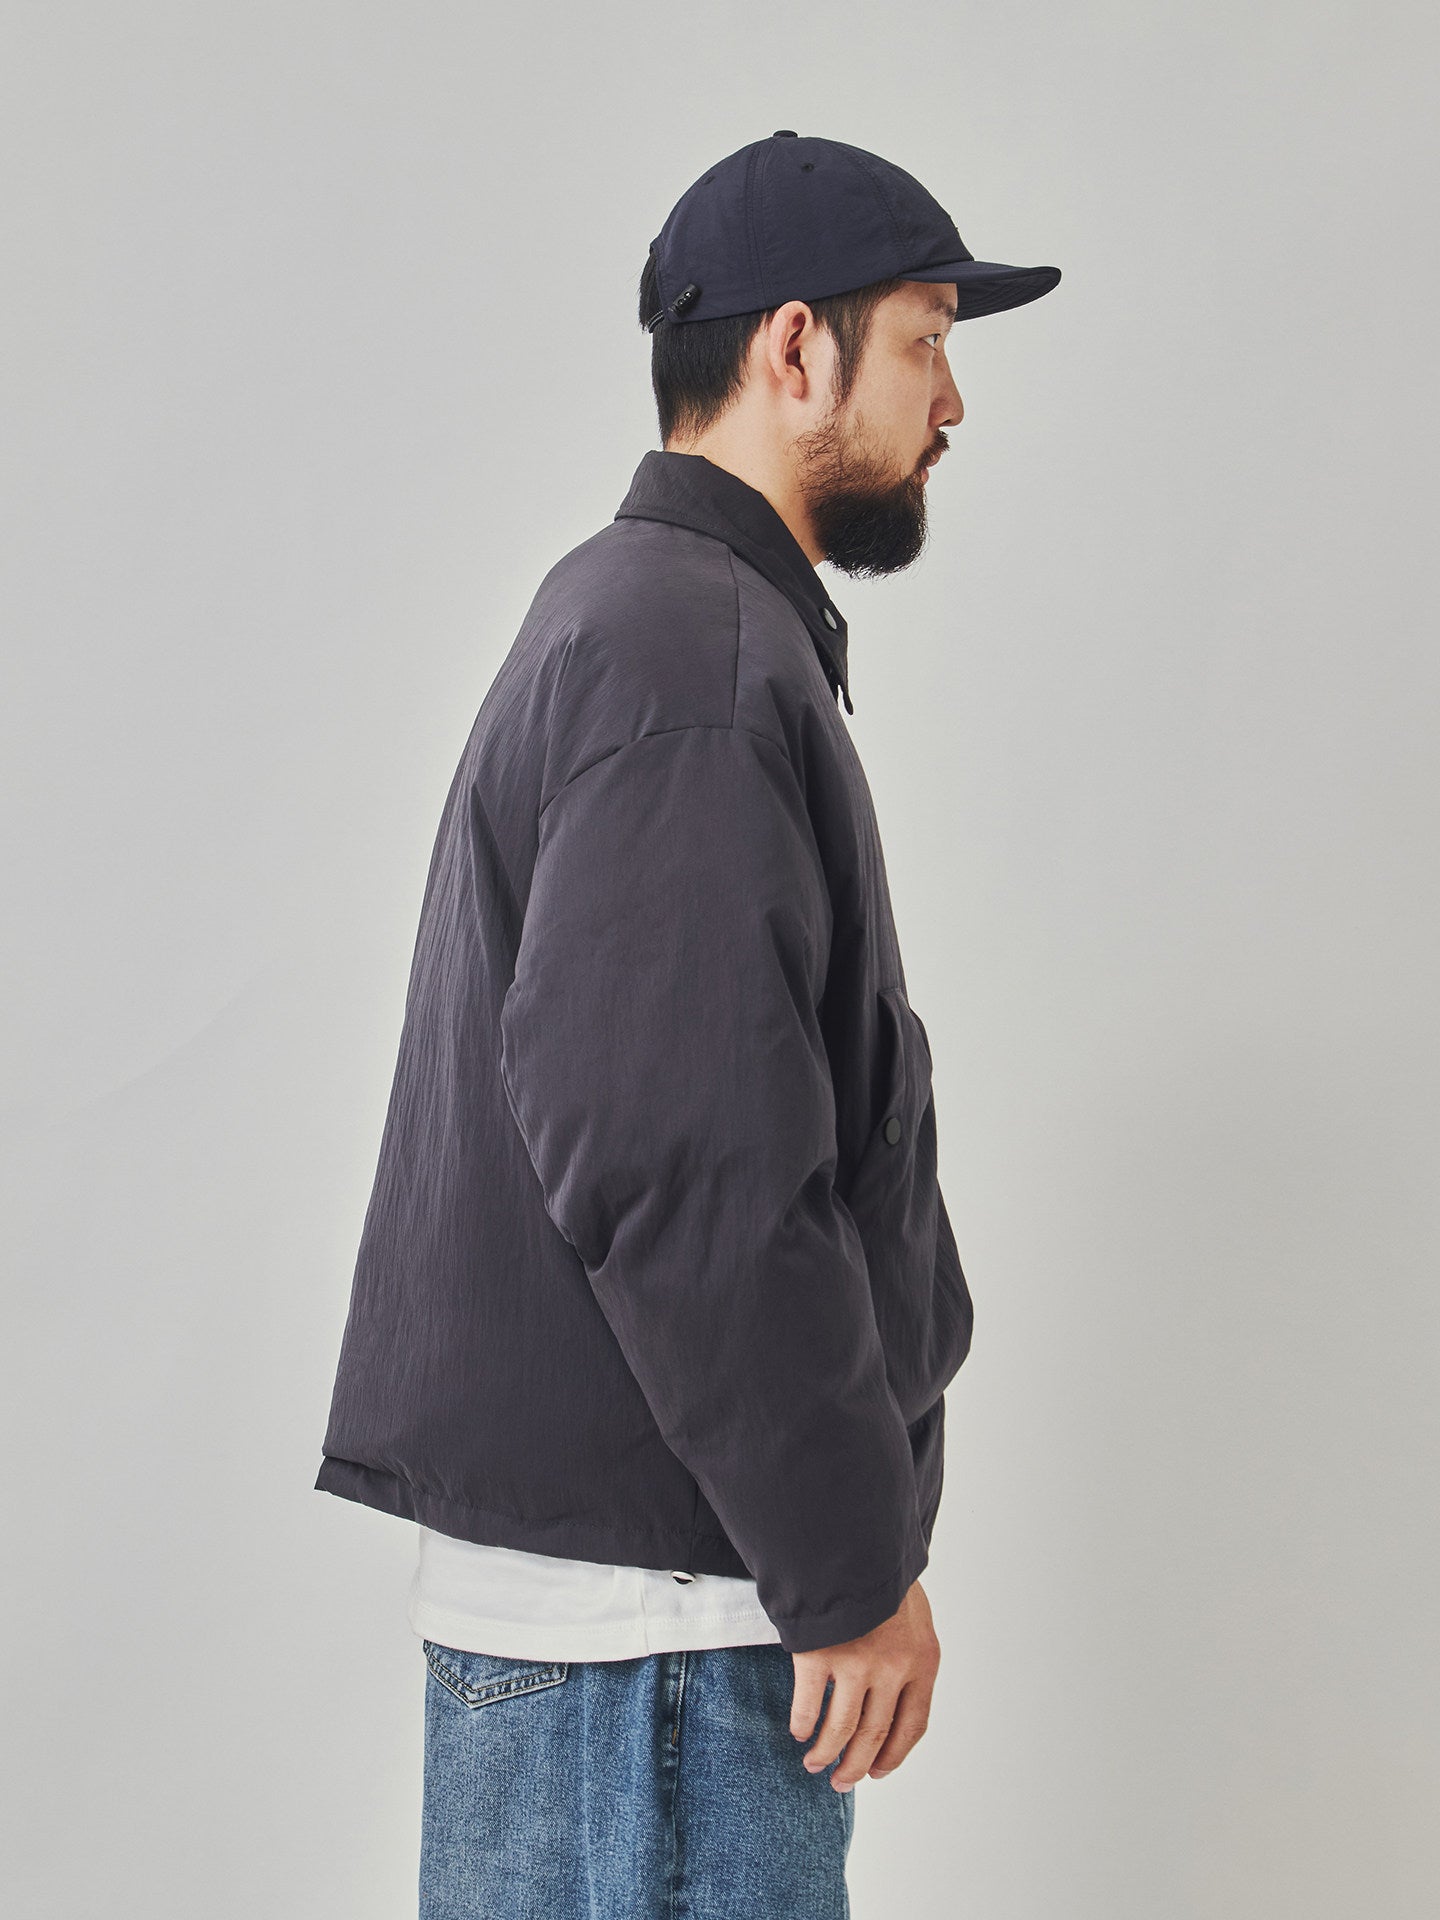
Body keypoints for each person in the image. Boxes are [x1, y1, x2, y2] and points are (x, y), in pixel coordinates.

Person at [314, 129, 1059, 1918]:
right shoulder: (691, 658)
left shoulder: (668, 626)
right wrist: (848, 1567)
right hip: (654, 1656)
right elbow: (689, 1162)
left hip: (631, 1641)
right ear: (797, 348)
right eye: (927, 340)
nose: (954, 400)